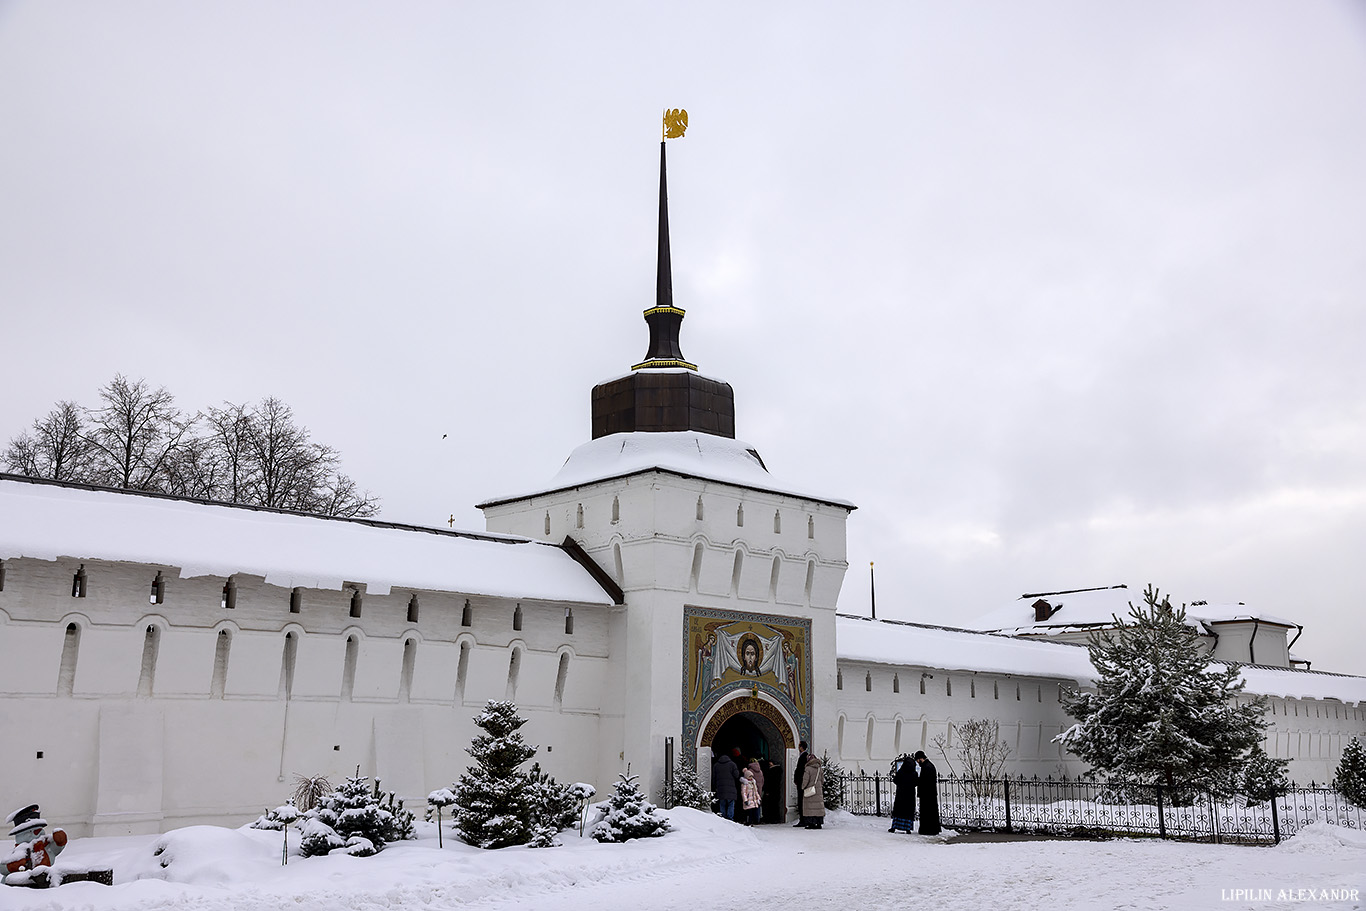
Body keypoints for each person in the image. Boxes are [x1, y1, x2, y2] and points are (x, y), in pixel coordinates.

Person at [888, 754, 917, 833]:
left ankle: (894, 827)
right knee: (908, 812)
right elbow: (916, 783)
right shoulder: (914, 773)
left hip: (901, 794)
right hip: (910, 795)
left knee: (898, 811)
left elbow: (895, 781)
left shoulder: (901, 771)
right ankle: (907, 828)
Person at [914, 750, 941, 836]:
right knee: (930, 812)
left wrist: (917, 781)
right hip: (929, 794)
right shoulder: (928, 766)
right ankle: (931, 829)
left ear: (920, 759)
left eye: (917, 760)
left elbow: (925, 781)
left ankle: (928, 829)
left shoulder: (927, 767)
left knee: (927, 813)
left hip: (927, 794)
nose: (917, 763)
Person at [712, 750, 741, 821]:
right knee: (731, 804)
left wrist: (714, 786)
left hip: (720, 788)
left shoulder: (716, 765)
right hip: (731, 789)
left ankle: (723, 818)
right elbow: (736, 775)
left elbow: (714, 777)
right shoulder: (732, 764)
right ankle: (730, 818)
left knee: (722, 804)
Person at [799, 752, 825, 829]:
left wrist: (803, 787)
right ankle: (819, 823)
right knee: (818, 807)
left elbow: (805, 780)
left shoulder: (808, 769)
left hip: (810, 790)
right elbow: (822, 780)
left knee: (810, 807)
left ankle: (811, 824)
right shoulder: (819, 769)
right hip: (818, 790)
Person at [792, 741, 810, 826]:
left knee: (801, 800)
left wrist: (798, 779)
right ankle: (803, 819)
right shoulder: (804, 756)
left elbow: (800, 770)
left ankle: (803, 820)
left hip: (801, 782)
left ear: (801, 747)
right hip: (801, 781)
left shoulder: (803, 756)